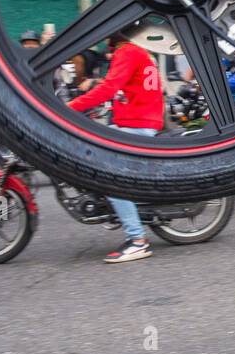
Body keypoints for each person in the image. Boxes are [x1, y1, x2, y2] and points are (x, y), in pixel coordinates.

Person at [66, 30, 164, 263]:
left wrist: (70, 108)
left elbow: (110, 88)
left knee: (110, 176)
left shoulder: (127, 51)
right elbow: (123, 88)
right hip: (140, 120)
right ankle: (116, 209)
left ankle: (137, 240)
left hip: (137, 124)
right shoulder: (139, 51)